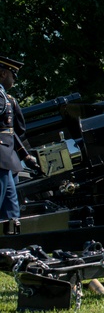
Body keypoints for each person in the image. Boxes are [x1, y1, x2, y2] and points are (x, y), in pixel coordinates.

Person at [0, 56, 40, 224]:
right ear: (2, 73)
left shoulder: (4, 96)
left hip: (5, 160)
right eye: (13, 75)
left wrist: (25, 156)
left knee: (11, 214)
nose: (14, 79)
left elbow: (11, 132)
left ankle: (10, 248)